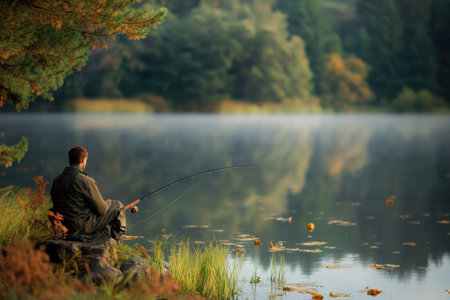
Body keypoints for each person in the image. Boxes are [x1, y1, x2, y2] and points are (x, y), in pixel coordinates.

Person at [50, 146, 126, 240]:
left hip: (62, 225)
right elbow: (102, 209)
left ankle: (104, 237)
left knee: (100, 220)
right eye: (86, 159)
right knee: (118, 206)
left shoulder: (57, 180)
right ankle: (116, 242)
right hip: (81, 226)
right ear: (82, 160)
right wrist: (108, 202)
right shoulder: (85, 180)